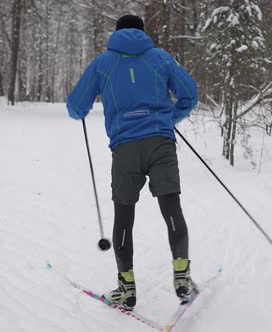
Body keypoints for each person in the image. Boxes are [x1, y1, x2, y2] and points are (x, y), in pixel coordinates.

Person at [66, 14, 199, 311]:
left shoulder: (103, 63)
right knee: (171, 208)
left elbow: (76, 107)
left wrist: (80, 109)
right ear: (142, 32)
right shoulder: (160, 58)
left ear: (116, 34)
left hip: (124, 149)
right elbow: (190, 95)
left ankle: (126, 288)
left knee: (124, 217)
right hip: (161, 145)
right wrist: (167, 119)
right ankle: (183, 278)